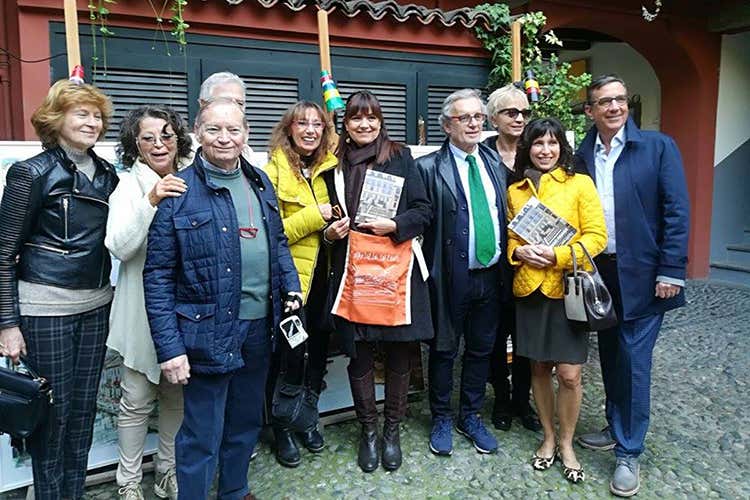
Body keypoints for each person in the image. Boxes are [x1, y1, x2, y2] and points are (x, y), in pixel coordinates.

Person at [143, 98, 301, 500]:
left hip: (260, 326)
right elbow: (157, 276)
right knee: (201, 433)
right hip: (207, 331)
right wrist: (169, 349)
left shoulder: (259, 181)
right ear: (197, 133)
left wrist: (291, 284)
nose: (224, 138)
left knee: (245, 421)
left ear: (246, 135)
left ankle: (234, 490)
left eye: (233, 129)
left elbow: (278, 241)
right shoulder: (178, 190)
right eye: (214, 129)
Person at [0, 80, 119, 499]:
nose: (92, 122)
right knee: (52, 417)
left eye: (97, 115)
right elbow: (3, 253)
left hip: (97, 305)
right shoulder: (30, 172)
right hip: (45, 309)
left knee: (84, 413)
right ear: (56, 118)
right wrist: (7, 325)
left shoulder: (108, 175)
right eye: (81, 113)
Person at [574, 74, 690, 497]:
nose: (615, 107)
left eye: (620, 99)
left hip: (644, 274)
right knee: (610, 356)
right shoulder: (581, 155)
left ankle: (628, 451)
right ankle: (615, 425)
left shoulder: (657, 147)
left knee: (634, 362)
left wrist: (671, 270)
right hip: (599, 274)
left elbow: (676, 209)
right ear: (590, 110)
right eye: (605, 101)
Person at [323, 90, 433, 473]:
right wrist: (330, 234)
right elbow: (324, 217)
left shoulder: (400, 156)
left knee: (399, 351)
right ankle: (368, 430)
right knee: (359, 353)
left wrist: (395, 225)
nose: (365, 124)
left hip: (394, 270)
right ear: (346, 123)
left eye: (372, 117)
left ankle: (392, 430)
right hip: (353, 270)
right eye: (356, 117)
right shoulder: (333, 164)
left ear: (381, 121)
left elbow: (424, 211)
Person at [506, 117, 606, 484]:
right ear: (527, 148)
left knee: (569, 374)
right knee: (538, 369)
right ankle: (548, 437)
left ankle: (567, 443)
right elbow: (512, 238)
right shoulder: (516, 190)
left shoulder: (580, 184)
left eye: (552, 143)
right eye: (538, 143)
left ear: (562, 147)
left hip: (569, 291)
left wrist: (558, 255)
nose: (545, 150)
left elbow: (597, 237)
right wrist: (518, 253)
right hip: (531, 290)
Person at [105, 105, 193, 500]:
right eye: (148, 138)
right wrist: (151, 200)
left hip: (182, 309)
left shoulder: (191, 178)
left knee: (176, 396)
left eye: (167, 136)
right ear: (135, 144)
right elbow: (119, 247)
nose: (159, 144)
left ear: (179, 139)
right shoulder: (127, 186)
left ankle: (166, 472)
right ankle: (127, 481)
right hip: (140, 312)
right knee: (136, 401)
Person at [416, 89, 505, 457]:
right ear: (446, 125)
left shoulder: (493, 161)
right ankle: (441, 416)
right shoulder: (428, 168)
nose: (473, 124)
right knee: (444, 349)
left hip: (491, 275)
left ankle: (470, 415)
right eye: (464, 118)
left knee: (481, 349)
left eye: (478, 117)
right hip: (450, 277)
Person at [264, 101, 337, 467]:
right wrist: (314, 217)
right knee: (289, 355)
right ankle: (282, 427)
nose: (310, 130)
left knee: (319, 353)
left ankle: (307, 419)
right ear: (288, 129)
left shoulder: (330, 170)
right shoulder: (272, 171)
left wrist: (333, 230)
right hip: (292, 286)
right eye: (302, 123)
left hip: (325, 279)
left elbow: (331, 223)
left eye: (317, 124)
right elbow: (270, 234)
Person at [482, 83, 541, 433]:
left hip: (532, 260)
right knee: (494, 334)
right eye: (511, 112)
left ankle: (522, 399)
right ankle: (501, 399)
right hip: (493, 263)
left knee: (526, 336)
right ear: (494, 118)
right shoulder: (482, 153)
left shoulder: (537, 152)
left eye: (524, 112)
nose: (520, 118)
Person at [197, 71, 254, 156]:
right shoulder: (185, 152)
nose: (234, 108)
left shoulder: (249, 156)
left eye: (239, 103)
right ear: (203, 104)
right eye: (224, 101)